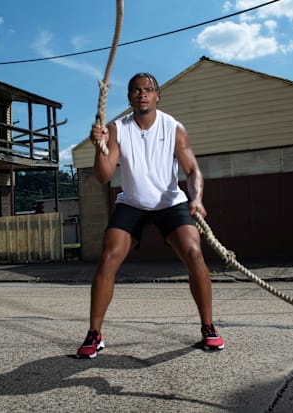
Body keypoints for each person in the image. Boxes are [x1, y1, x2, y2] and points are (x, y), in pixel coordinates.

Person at [77, 72, 224, 358]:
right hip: (133, 203)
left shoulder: (174, 128)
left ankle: (208, 327)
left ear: (158, 95)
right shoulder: (117, 128)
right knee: (108, 257)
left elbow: (192, 170)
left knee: (194, 252)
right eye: (135, 90)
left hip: (170, 202)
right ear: (129, 97)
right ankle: (94, 334)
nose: (142, 94)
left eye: (148, 89)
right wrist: (98, 148)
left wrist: (197, 199)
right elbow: (104, 176)